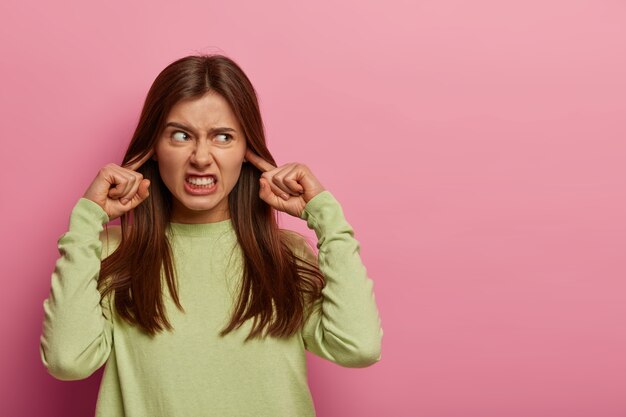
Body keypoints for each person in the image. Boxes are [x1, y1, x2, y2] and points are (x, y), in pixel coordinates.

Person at [39, 54, 383, 417]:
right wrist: (86, 223)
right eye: (181, 135)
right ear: (154, 149)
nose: (201, 157)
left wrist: (326, 217)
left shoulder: (286, 255)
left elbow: (357, 347)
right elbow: (67, 361)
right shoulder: (111, 253)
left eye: (222, 136)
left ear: (246, 152)